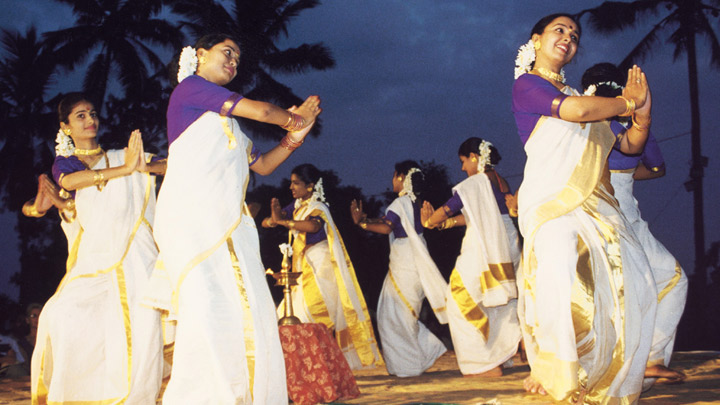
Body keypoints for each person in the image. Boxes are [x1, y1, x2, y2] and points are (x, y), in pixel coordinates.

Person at [150, 33, 321, 404]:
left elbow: (263, 164)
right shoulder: (189, 90)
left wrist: (297, 137)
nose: (233, 62)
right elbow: (262, 111)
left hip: (228, 225)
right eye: (227, 53)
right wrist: (295, 118)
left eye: (237, 59)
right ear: (198, 55)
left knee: (247, 309)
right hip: (192, 221)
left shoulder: (230, 126)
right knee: (207, 311)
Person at [511, 13, 658, 403]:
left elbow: (627, 147)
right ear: (536, 39)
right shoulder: (528, 85)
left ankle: (616, 378)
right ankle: (561, 378)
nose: (568, 38)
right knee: (558, 280)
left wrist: (641, 115)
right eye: (559, 30)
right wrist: (626, 101)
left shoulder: (586, 97)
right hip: (553, 203)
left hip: (596, 205)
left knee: (637, 282)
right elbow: (574, 111)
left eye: (574, 35)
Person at [31, 92, 166, 404]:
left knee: (141, 325)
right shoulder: (68, 163)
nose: (90, 120)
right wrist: (125, 170)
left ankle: (134, 395)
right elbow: (70, 182)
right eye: (80, 116)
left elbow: (167, 166)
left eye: (92, 113)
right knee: (63, 314)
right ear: (65, 127)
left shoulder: (123, 155)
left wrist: (144, 167)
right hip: (96, 259)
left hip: (137, 255)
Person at [582, 63, 688, 384]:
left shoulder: (586, 120)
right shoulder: (626, 123)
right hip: (608, 209)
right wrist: (624, 173)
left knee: (640, 286)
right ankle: (640, 359)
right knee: (646, 285)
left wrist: (616, 175)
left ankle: (648, 359)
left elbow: (644, 157)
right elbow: (656, 168)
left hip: (611, 209)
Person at [262, 163, 384, 370]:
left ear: (310, 186)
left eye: (296, 183)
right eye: (291, 183)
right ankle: (310, 367)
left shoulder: (318, 207)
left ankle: (321, 367)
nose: (291, 187)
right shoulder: (297, 206)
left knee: (312, 314)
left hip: (319, 266)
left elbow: (313, 226)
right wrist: (274, 219)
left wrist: (284, 222)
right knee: (287, 314)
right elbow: (268, 222)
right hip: (302, 268)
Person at [420, 138, 522, 377]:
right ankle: (499, 356)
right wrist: (444, 224)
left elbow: (448, 208)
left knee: (458, 299)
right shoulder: (500, 180)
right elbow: (477, 216)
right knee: (493, 302)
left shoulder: (474, 182)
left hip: (484, 247)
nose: (463, 168)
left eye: (463, 162)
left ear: (474, 157)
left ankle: (483, 363)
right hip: (505, 243)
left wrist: (430, 220)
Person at [349, 160, 448, 377]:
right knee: (400, 315)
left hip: (405, 261)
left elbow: (386, 227)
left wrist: (361, 224)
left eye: (394, 176)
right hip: (415, 261)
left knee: (393, 316)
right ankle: (423, 353)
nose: (392, 181)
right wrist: (367, 219)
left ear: (401, 177)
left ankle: (409, 366)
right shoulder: (416, 202)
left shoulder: (399, 204)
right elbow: (390, 222)